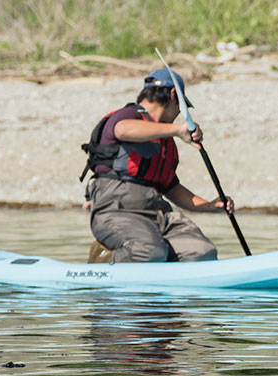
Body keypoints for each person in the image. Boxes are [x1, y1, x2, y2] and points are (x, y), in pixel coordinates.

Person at [80, 68, 232, 263]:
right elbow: (123, 129)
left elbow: (171, 188)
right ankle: (103, 259)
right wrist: (177, 130)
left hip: (156, 214)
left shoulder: (165, 139)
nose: (179, 114)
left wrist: (210, 205)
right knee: (148, 251)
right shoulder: (127, 116)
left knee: (202, 252)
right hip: (116, 211)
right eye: (181, 107)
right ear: (173, 95)